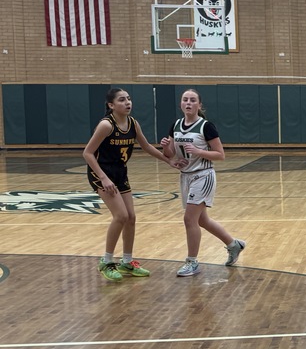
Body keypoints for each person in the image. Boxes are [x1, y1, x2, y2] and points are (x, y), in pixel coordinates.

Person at [83, 87, 177, 281]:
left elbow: (146, 146)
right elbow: (87, 153)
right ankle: (106, 261)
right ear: (111, 105)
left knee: (132, 217)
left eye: (129, 99)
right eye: (121, 100)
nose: (127, 103)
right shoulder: (106, 125)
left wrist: (168, 160)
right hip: (101, 173)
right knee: (121, 216)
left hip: (119, 172)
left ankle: (127, 261)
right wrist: (103, 178)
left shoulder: (133, 123)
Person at [160, 89, 246, 277]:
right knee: (201, 219)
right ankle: (234, 244)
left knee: (189, 219)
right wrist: (166, 146)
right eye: (185, 100)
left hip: (203, 175)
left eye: (192, 100)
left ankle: (192, 262)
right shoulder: (175, 125)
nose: (188, 103)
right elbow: (169, 155)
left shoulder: (206, 126)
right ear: (181, 104)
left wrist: (199, 151)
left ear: (199, 105)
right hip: (185, 176)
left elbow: (220, 155)